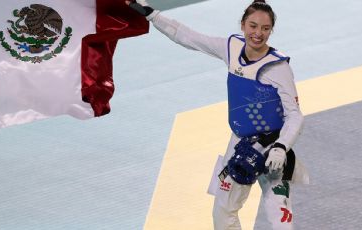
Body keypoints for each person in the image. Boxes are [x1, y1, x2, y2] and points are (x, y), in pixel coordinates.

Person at [126, 0, 309, 229]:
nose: (258, 33)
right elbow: (189, 37)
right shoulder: (231, 48)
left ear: (272, 30)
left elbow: (295, 115)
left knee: (279, 219)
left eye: (265, 28)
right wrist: (152, 15)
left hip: (273, 149)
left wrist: (282, 147)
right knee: (222, 211)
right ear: (242, 25)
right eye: (253, 26)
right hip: (240, 145)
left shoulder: (278, 68)